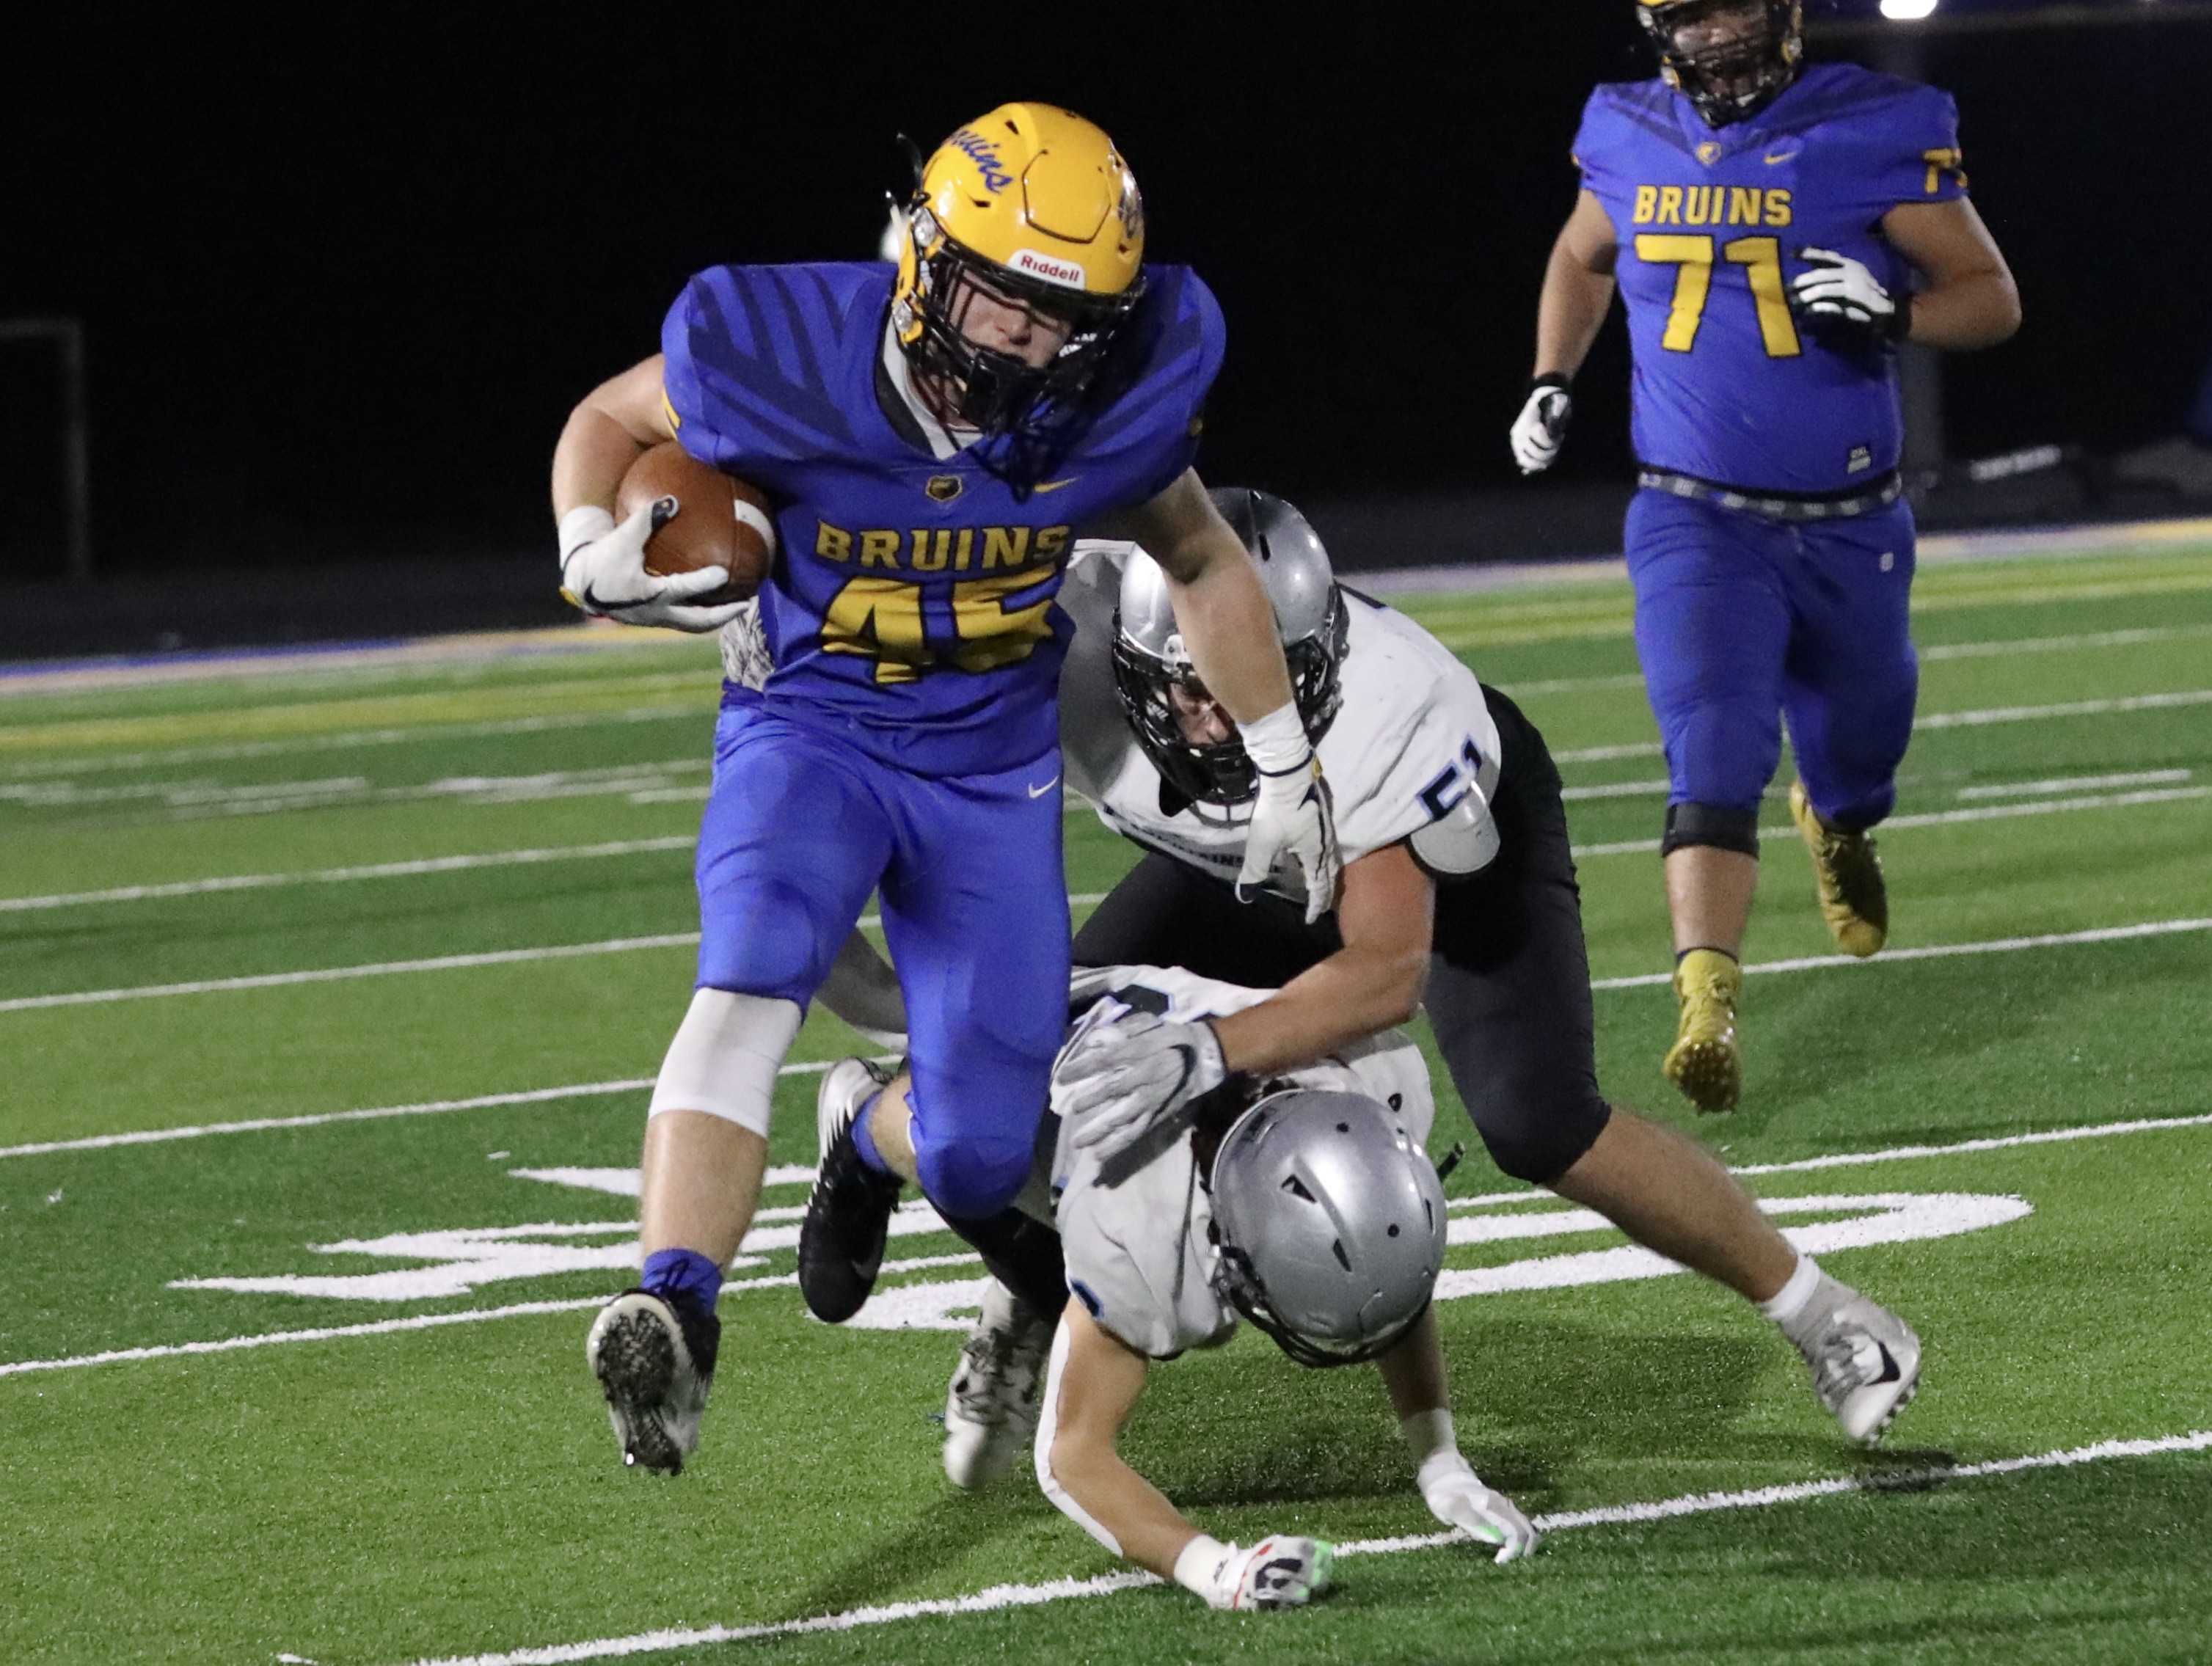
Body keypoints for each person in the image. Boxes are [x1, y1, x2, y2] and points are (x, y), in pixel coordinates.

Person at [797, 489, 1925, 1490]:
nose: (1225, 715)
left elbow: (1384, 970)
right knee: (1037, 1079)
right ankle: (1017, 1276)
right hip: (1231, 860)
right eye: (1189, 689)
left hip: (1428, 858)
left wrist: (1210, 1046)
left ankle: (1822, 1313)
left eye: (1261, 676)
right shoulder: (1050, 642)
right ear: (1131, 665)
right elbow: (872, 770)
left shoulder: (1389, 708)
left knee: (1537, 1119)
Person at [549, 103, 1338, 1474]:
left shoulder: (1107, 401)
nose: (1018, 342)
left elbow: (1205, 557)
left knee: (977, 1154)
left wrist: (1284, 762)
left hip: (988, 771)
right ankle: (672, 1303)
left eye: (1057, 318)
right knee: (751, 970)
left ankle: (864, 1128)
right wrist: (583, 548)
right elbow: (609, 416)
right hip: (810, 727)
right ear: (923, 256)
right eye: (996, 298)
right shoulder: (787, 350)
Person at [1510, 0, 2021, 1111]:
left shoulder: (1870, 124)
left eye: (1739, 4)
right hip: (1693, 510)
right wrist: (1552, 376)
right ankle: (1707, 1005)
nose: (1719, 34)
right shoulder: (1625, 128)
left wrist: (1894, 310)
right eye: (1693, 15)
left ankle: (1835, 818)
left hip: (1851, 518)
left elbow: (1990, 299)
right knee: (1713, 744)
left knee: (1861, 745)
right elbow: (1583, 255)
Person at [825, 962, 1541, 1610]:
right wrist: (1218, 1571)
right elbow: (1071, 1457)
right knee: (959, 1151)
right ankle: (865, 1118)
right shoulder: (1142, 1226)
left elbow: (1379, 1268)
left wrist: (1441, 1462)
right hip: (1047, 1088)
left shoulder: (1378, 1087)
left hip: (1169, 1021)